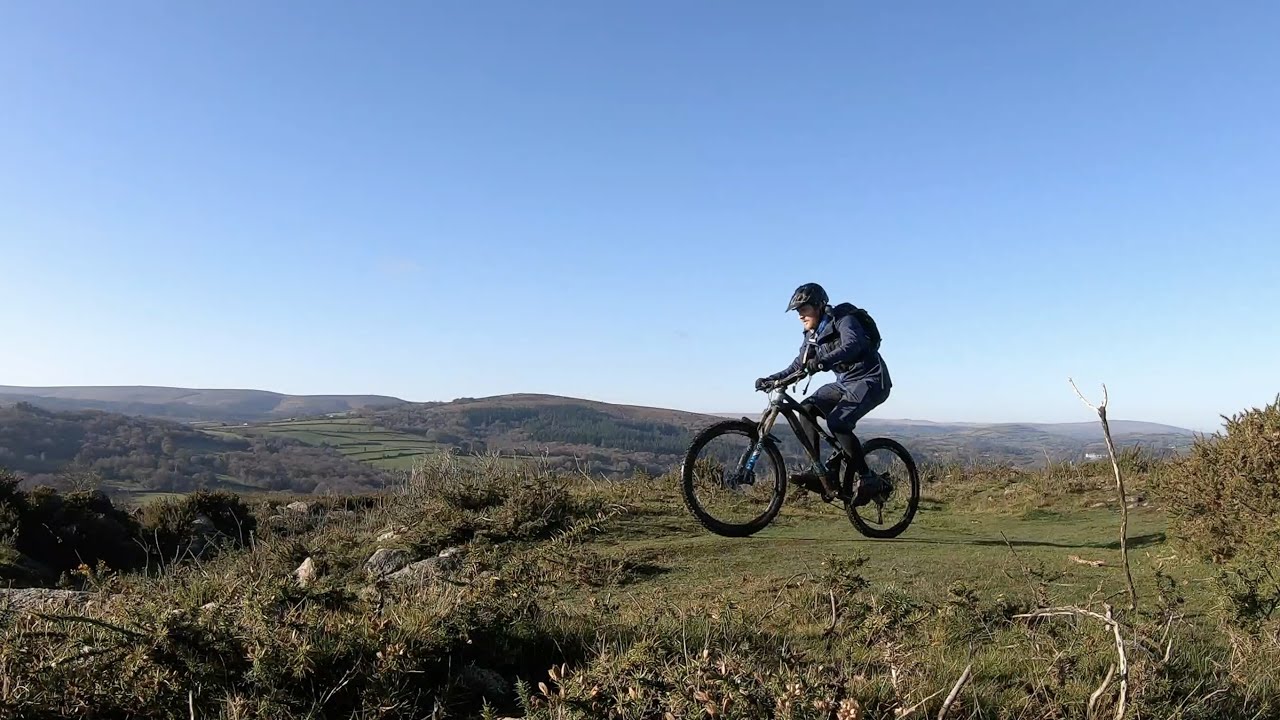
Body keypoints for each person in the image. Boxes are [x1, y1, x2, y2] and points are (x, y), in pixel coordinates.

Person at [755, 282, 892, 504]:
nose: (800, 315)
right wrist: (772, 379)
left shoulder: (843, 319)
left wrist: (822, 361)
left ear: (819, 306)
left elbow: (853, 344)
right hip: (844, 383)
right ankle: (820, 472)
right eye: (797, 311)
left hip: (871, 380)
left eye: (804, 309)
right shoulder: (812, 335)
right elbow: (799, 366)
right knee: (806, 408)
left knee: (838, 422)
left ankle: (868, 478)